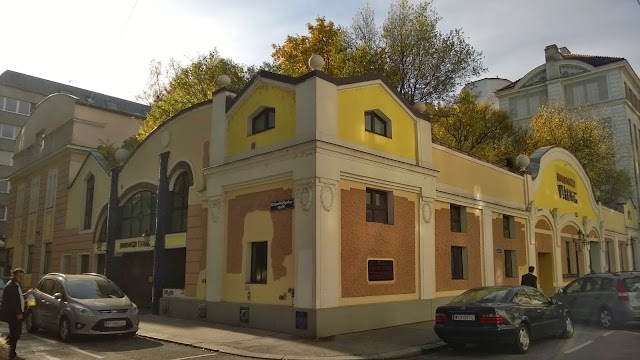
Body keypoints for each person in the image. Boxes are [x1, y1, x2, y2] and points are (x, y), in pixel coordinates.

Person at [0, 268, 25, 360]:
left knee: (16, 334)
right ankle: (10, 354)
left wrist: (26, 294)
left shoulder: (17, 285)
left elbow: (19, 298)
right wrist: (18, 313)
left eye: (22, 276)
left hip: (17, 314)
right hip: (13, 315)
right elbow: (13, 302)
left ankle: (11, 353)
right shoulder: (10, 286)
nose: (21, 278)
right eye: (19, 276)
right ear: (14, 276)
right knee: (14, 334)